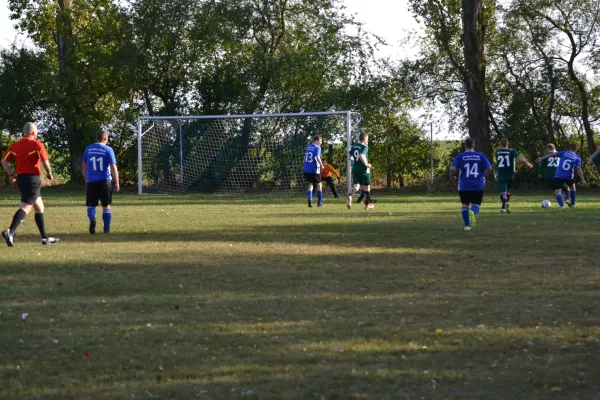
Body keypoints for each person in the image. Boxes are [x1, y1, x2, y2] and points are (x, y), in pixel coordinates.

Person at [0, 122, 59, 246]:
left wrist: (11, 175)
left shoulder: (15, 146)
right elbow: (45, 162)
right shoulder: (37, 144)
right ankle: (10, 231)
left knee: (39, 207)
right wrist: (49, 174)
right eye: (36, 132)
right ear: (33, 133)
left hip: (21, 178)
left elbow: (4, 161)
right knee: (26, 206)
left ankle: (44, 238)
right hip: (32, 179)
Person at [449, 138, 493, 231]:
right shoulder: (481, 156)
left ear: (465, 145)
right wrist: (484, 175)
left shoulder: (460, 156)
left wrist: (452, 176)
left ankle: (467, 226)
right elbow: (489, 168)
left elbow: (452, 169)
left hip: (464, 185)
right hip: (478, 184)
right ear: (473, 145)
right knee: (476, 203)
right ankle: (472, 212)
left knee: (465, 205)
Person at [83, 128, 120, 234]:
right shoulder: (108, 150)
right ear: (105, 138)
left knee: (91, 205)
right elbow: (113, 167)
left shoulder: (88, 149)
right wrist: (116, 183)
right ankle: (106, 229)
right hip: (104, 181)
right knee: (106, 205)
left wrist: (86, 180)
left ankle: (92, 219)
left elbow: (84, 167)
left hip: (91, 182)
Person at [536, 144, 586, 208]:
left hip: (559, 175)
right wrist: (583, 179)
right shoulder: (577, 158)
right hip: (569, 176)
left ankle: (562, 206)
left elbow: (553, 154)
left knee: (558, 191)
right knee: (572, 187)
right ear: (576, 150)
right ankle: (573, 204)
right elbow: (579, 169)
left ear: (569, 148)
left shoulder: (564, 153)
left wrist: (542, 158)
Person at [495, 138, 534, 213]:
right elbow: (521, 159)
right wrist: (528, 163)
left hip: (501, 174)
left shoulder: (497, 152)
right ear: (507, 144)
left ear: (500, 144)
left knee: (503, 192)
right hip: (510, 174)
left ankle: (504, 204)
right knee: (508, 191)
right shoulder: (512, 151)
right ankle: (504, 206)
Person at [347, 132, 375, 210]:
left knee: (356, 186)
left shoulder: (355, 145)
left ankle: (350, 196)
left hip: (355, 169)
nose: (367, 141)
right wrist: (366, 164)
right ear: (365, 139)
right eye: (367, 139)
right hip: (363, 170)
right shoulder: (364, 147)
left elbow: (349, 155)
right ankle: (367, 205)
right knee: (367, 187)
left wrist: (353, 160)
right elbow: (361, 155)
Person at [302, 135, 325, 208]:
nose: (321, 143)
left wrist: (303, 166)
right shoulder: (317, 148)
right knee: (319, 185)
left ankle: (310, 199)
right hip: (314, 169)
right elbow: (317, 157)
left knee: (310, 184)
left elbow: (305, 157)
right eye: (320, 141)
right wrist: (322, 165)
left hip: (306, 169)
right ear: (317, 140)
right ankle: (319, 203)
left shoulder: (308, 147)